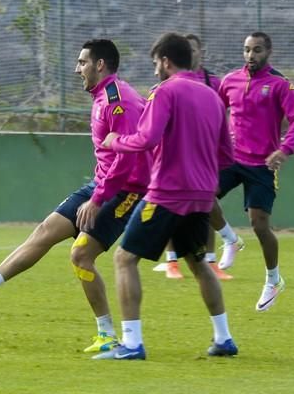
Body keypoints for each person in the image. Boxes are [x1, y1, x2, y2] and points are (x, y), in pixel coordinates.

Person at [0, 39, 151, 353]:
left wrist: (98, 200)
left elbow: (129, 158)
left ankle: (107, 334)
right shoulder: (102, 96)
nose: (77, 69)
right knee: (46, 230)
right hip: (101, 184)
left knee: (81, 256)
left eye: (82, 62)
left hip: (126, 189)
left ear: (100, 64)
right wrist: (96, 193)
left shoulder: (117, 99)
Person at [95, 32, 237, 360]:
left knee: (124, 258)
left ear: (165, 61)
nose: (155, 70)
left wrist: (115, 141)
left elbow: (145, 138)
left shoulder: (165, 91)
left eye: (155, 63)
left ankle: (131, 344)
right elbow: (227, 155)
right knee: (200, 263)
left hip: (166, 194)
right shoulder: (213, 97)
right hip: (201, 197)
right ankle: (224, 338)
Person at [214, 31, 294, 312]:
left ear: (268, 52)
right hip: (231, 159)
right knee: (199, 196)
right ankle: (230, 239)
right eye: (246, 50)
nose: (250, 55)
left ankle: (273, 279)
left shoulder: (279, 85)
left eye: (256, 50)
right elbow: (215, 111)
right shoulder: (230, 81)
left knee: (260, 225)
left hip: (262, 165)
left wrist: (284, 149)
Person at [161, 34, 244, 281]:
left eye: (194, 49)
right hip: (178, 154)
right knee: (169, 205)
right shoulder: (169, 83)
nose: (191, 53)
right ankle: (172, 261)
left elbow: (223, 117)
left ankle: (211, 260)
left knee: (206, 205)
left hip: (203, 155)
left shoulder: (214, 83)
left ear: (200, 52)